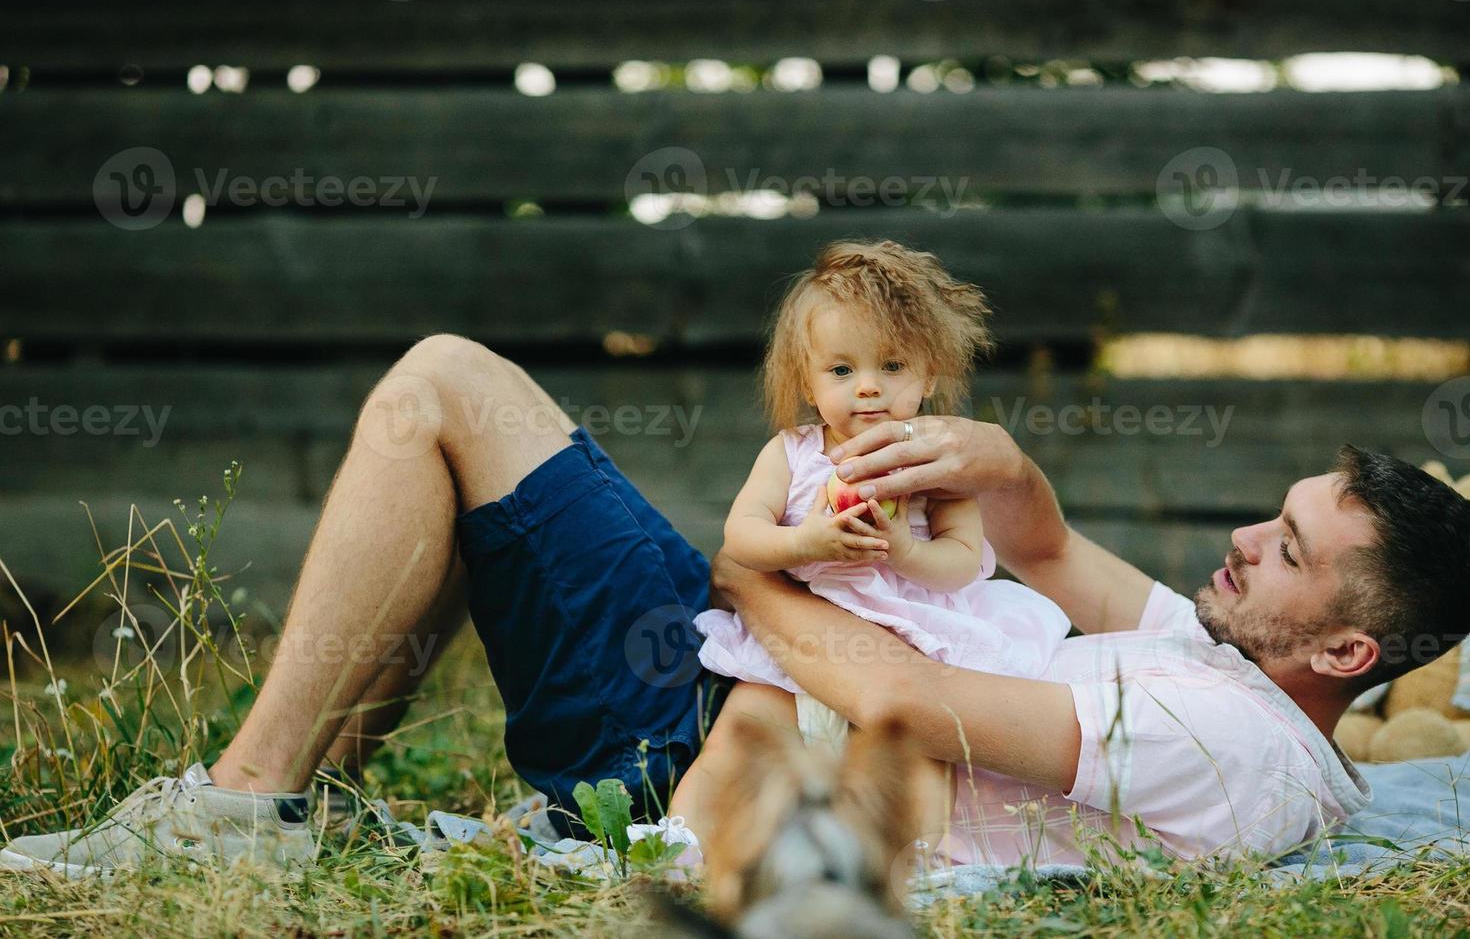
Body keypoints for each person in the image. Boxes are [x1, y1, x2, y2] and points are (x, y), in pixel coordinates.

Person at [3, 331, 1467, 876]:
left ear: (1345, 648)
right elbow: (1049, 545)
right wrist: (989, 461)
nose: (1235, 540)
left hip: (720, 744)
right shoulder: (1220, 658)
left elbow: (903, 706)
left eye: (1278, 546)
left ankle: (243, 801)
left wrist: (760, 560)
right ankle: (281, 796)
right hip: (750, 687)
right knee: (463, 409)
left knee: (448, 389)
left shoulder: (1229, 744)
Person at [674, 242, 1071, 842]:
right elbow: (742, 537)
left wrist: (905, 550)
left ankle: (917, 870)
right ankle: (678, 845)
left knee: (916, 763)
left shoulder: (933, 465)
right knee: (740, 736)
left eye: (892, 366)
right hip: (799, 651)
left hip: (908, 654)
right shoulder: (792, 453)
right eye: (841, 370)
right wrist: (805, 542)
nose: (868, 389)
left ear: (928, 374)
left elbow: (963, 563)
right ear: (807, 382)